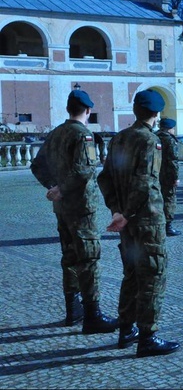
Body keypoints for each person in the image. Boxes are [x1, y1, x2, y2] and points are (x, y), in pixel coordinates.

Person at [97, 88, 180, 357]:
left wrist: (117, 210)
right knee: (152, 274)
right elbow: (145, 183)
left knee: (131, 274)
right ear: (156, 114)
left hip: (128, 222)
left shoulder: (119, 138)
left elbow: (104, 178)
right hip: (146, 220)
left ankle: (126, 329)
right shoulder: (149, 140)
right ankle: (148, 337)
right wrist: (127, 212)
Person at [30, 89, 119, 333]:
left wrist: (53, 186)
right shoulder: (84, 136)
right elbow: (85, 171)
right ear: (88, 110)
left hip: (62, 209)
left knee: (69, 257)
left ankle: (73, 310)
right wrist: (61, 189)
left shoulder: (56, 133)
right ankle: (93, 315)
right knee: (88, 258)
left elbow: (36, 165)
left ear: (68, 109)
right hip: (81, 207)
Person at [155, 118, 182, 236]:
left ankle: (157, 225)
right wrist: (175, 178)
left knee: (156, 199)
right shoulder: (170, 140)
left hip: (154, 174)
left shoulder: (154, 137)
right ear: (169, 128)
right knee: (169, 199)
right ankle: (168, 226)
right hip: (167, 175)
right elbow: (173, 161)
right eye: (173, 128)